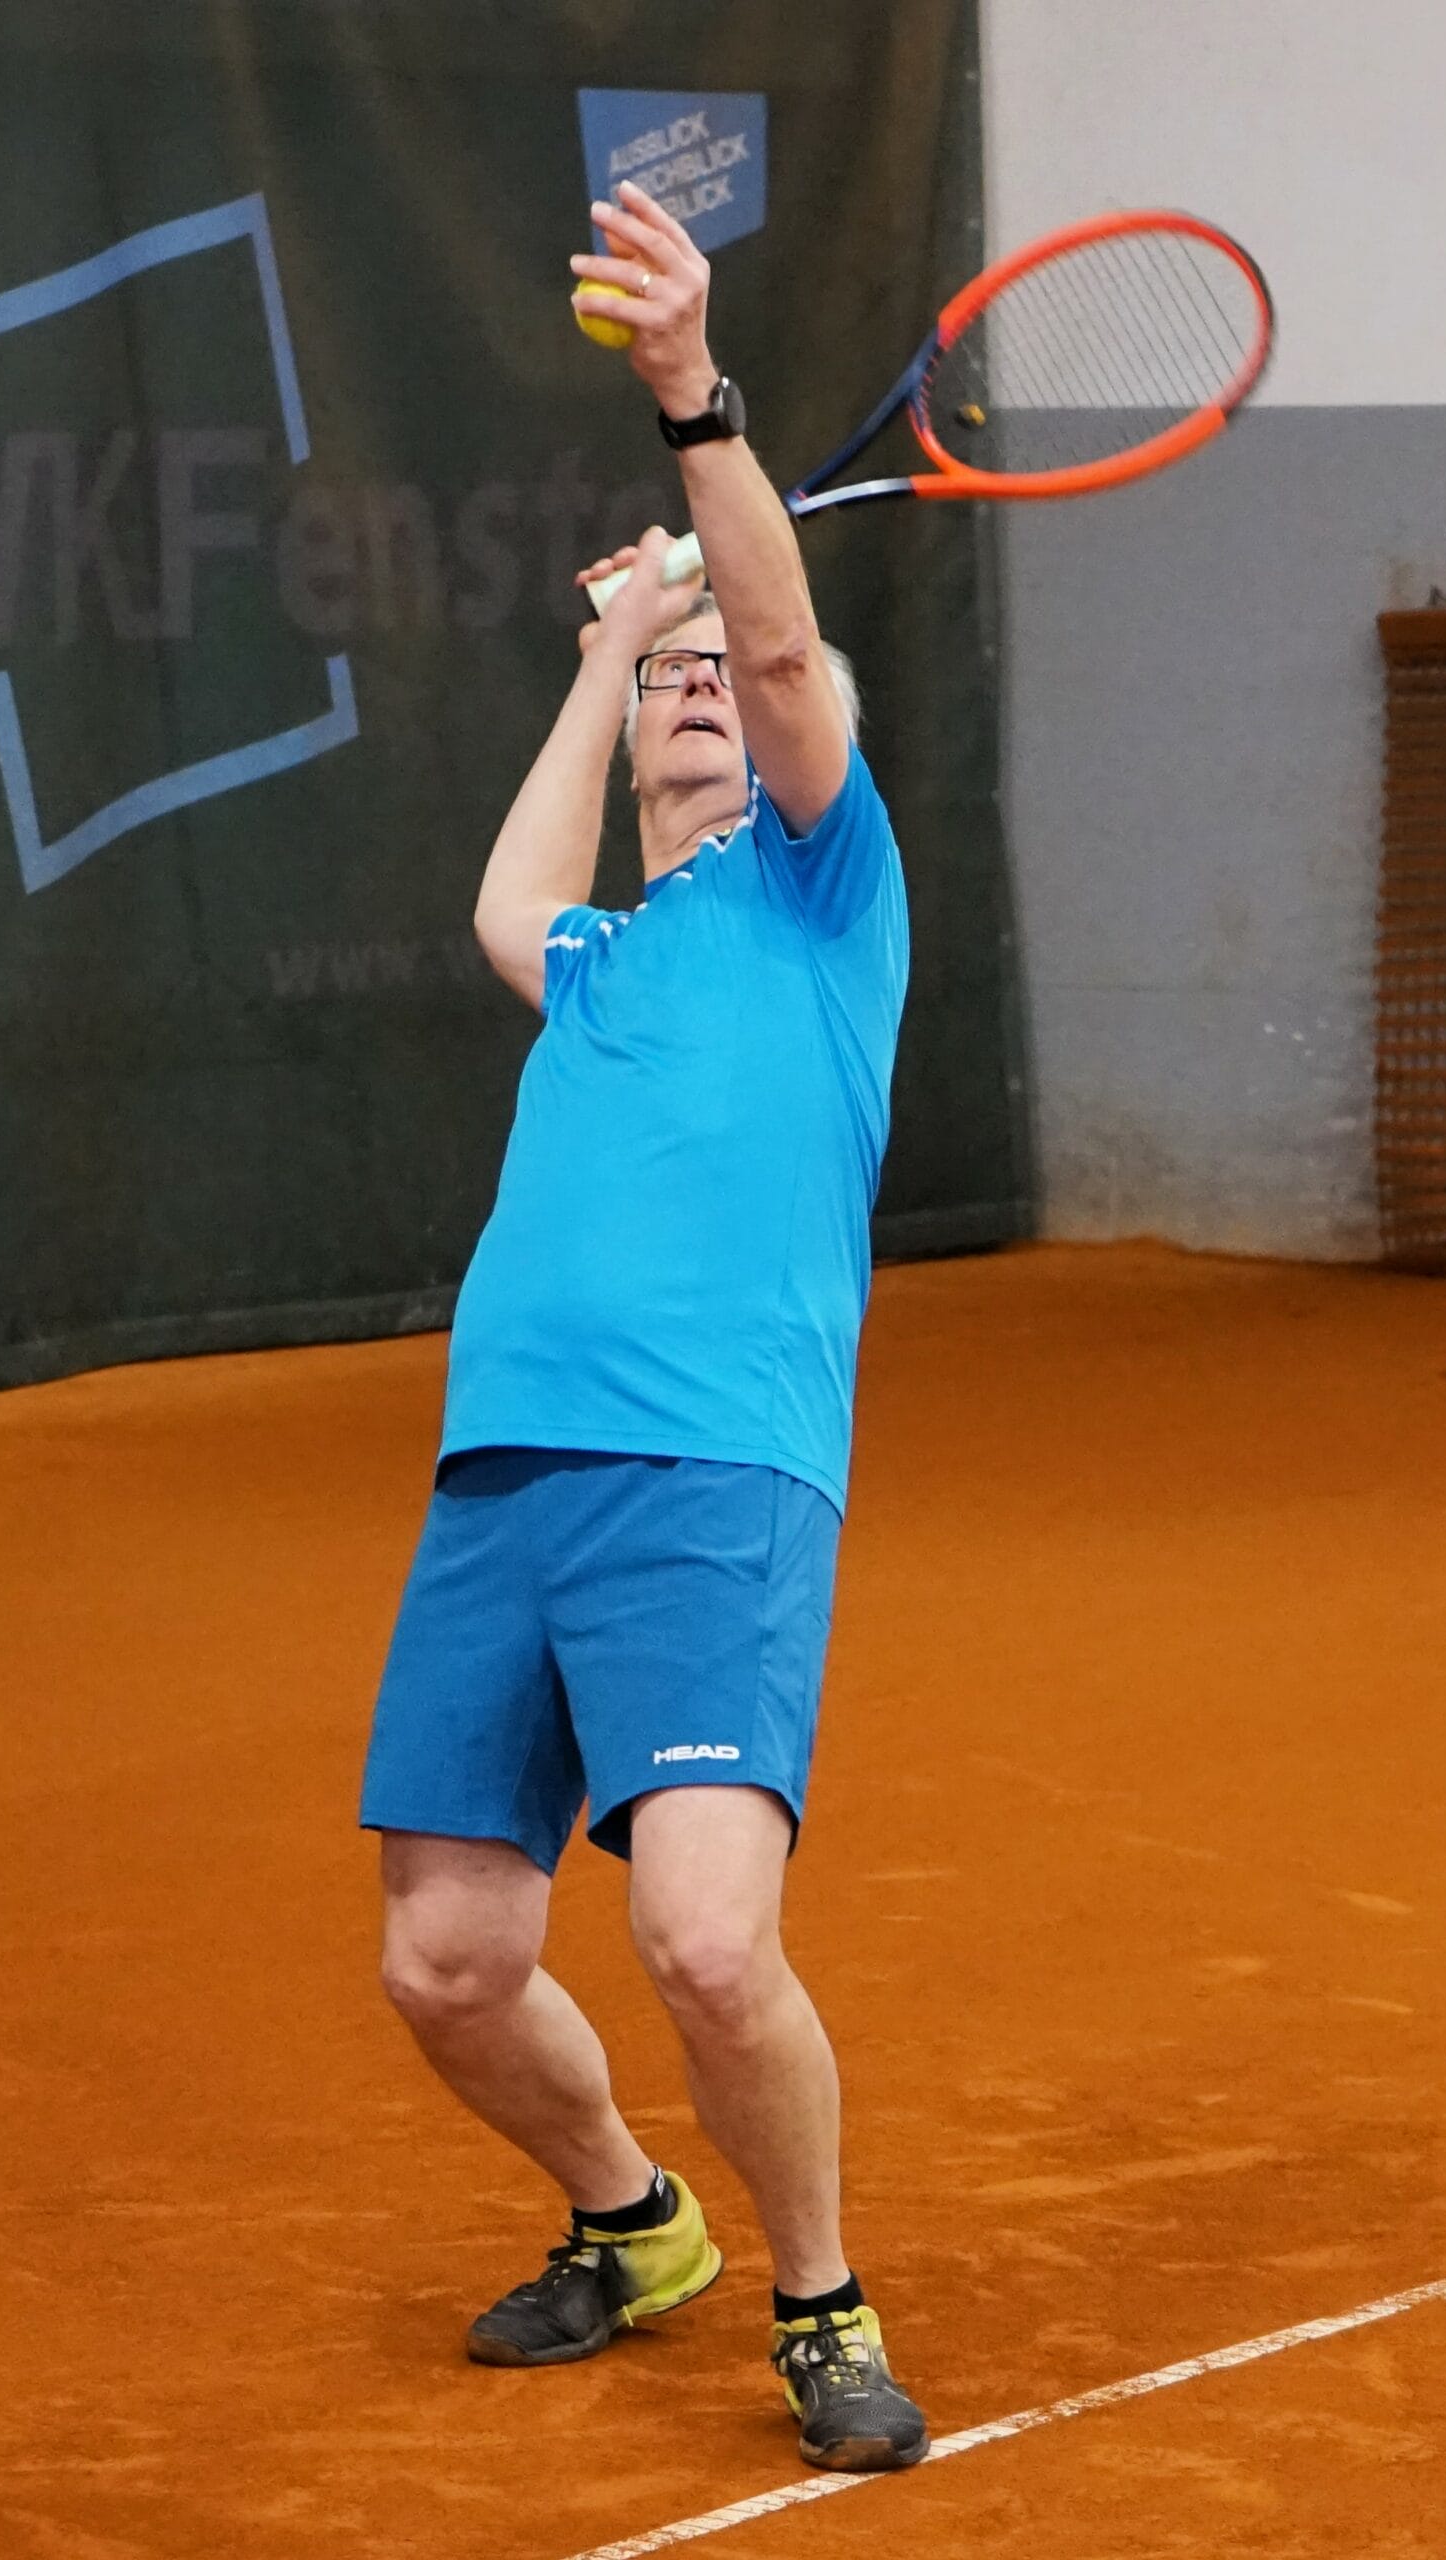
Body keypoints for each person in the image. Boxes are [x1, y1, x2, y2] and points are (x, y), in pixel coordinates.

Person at [359, 178, 925, 2473]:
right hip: (507, 1471)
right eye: (676, 688)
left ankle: (821, 2294)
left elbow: (781, 659)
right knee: (445, 1959)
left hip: (711, 1470)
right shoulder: (599, 958)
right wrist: (610, 656)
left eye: (725, 682)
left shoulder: (825, 896)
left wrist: (695, 403)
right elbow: (512, 893)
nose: (707, 691)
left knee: (700, 1937)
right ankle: (634, 2213)